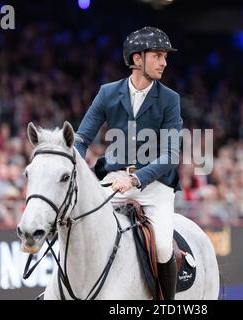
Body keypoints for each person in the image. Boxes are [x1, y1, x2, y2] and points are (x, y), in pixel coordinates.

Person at [75, 26, 182, 299]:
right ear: (137, 59)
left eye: (165, 56)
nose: (164, 62)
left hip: (154, 185)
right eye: (158, 55)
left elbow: (171, 154)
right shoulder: (108, 93)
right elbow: (81, 139)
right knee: (79, 226)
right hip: (112, 180)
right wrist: (75, 170)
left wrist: (135, 179)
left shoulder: (170, 100)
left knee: (162, 247)